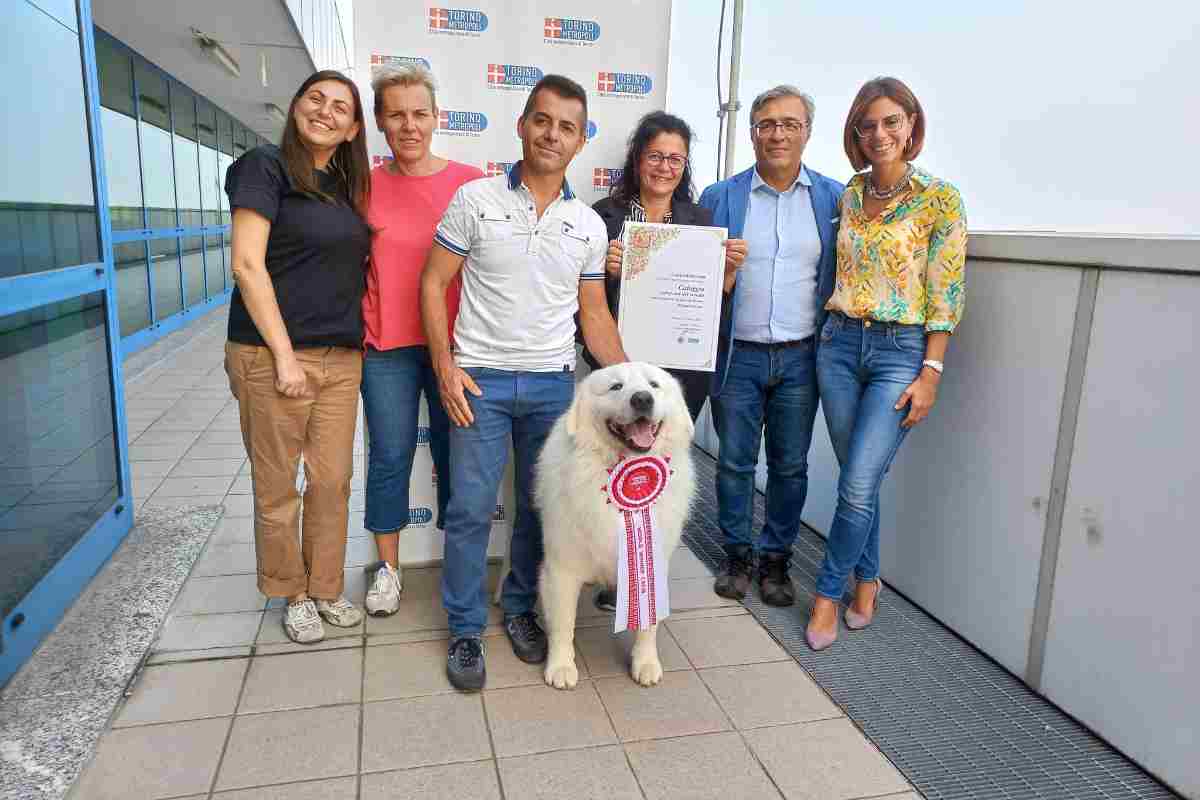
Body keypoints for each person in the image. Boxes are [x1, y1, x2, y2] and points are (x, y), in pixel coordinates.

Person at [421, 74, 626, 691]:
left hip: (554, 389)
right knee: (470, 509)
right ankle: (463, 629)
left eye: (567, 126)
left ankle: (518, 610)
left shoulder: (589, 225)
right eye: (542, 120)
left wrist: (633, 384)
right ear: (522, 125)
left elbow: (593, 314)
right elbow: (433, 283)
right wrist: (445, 364)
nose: (552, 134)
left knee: (542, 513)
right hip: (477, 381)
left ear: (580, 140)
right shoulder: (474, 199)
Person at [806, 77, 966, 650]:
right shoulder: (848, 195)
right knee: (861, 480)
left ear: (912, 125)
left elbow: (946, 294)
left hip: (901, 354)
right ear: (856, 133)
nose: (880, 134)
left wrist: (932, 372)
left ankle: (828, 595)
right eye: (868, 125)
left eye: (891, 121)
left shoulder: (940, 200)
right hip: (840, 346)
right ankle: (868, 579)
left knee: (854, 486)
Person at [224, 71, 371, 644]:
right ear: (295, 104)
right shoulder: (264, 167)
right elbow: (247, 264)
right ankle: (292, 592)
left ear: (354, 127)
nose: (326, 112)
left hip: (340, 357)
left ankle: (327, 585)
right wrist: (283, 356)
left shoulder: (342, 185)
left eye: (341, 107)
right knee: (279, 485)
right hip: (271, 356)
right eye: (316, 98)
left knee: (332, 481)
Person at [587, 110, 747, 614]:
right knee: (608, 468)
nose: (664, 166)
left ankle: (642, 571)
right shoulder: (603, 215)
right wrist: (606, 270)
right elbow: (585, 299)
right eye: (655, 155)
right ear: (638, 158)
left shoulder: (700, 222)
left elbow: (708, 309)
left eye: (675, 158)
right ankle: (610, 568)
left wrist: (725, 275)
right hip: (616, 370)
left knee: (660, 466)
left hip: (679, 376)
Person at [699, 86, 844, 608]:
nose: (777, 133)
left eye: (789, 123)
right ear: (752, 131)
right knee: (735, 462)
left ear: (807, 131)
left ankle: (776, 559)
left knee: (790, 465)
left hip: (803, 356)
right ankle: (736, 554)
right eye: (766, 124)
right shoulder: (721, 197)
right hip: (737, 354)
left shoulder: (833, 199)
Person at [359, 65, 484, 617]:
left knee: (459, 460)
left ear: (437, 118)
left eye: (419, 113)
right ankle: (387, 571)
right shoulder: (361, 185)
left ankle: (463, 571)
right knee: (389, 456)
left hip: (458, 348)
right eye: (396, 115)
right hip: (384, 346)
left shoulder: (471, 181)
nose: (409, 125)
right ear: (381, 121)